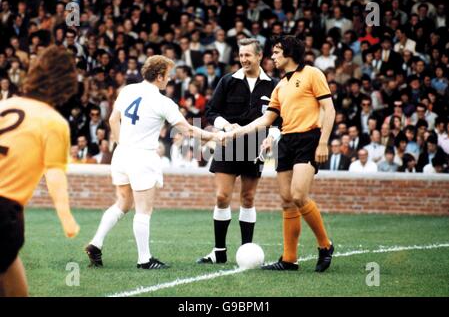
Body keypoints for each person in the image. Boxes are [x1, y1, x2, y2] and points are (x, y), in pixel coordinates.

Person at [85, 55, 220, 269]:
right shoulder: (162, 101)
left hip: (122, 154)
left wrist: (123, 144)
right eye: (168, 75)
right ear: (159, 76)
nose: (170, 79)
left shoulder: (128, 90)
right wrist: (215, 136)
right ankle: (144, 259)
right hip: (142, 157)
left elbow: (112, 119)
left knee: (123, 203)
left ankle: (96, 243)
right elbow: (189, 130)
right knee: (144, 210)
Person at [226, 36, 335, 272]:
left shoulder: (312, 74)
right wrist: (239, 130)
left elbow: (329, 108)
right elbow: (267, 119)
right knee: (287, 201)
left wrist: (323, 142)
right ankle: (289, 259)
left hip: (309, 138)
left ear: (289, 53)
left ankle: (325, 245)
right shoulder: (280, 85)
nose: (272, 57)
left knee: (298, 195)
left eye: (276, 52)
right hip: (286, 141)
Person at [0, 45, 80, 296]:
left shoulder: (5, 104)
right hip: (3, 211)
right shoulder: (54, 122)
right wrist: (66, 217)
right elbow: (55, 175)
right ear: (66, 86)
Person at [198, 38, 280, 264]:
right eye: (241, 55)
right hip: (228, 143)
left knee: (248, 197)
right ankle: (219, 251)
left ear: (259, 56)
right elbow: (211, 112)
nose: (244, 59)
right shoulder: (228, 81)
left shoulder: (273, 85)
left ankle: (246, 251)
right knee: (222, 196)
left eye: (248, 55)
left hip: (256, 145)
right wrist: (226, 126)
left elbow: (280, 119)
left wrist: (271, 138)